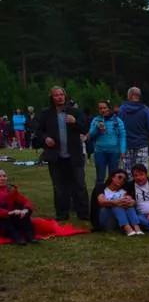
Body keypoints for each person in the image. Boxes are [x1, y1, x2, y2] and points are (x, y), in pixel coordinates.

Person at [38, 86, 90, 221]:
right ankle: (62, 214)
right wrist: (45, 138)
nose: (59, 97)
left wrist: (75, 122)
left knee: (79, 185)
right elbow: (38, 132)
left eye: (61, 94)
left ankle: (83, 214)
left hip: (74, 155)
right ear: (52, 98)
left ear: (65, 96)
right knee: (59, 187)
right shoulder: (46, 114)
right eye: (56, 95)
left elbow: (84, 129)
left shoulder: (75, 112)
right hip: (56, 157)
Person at [118, 86, 149, 177]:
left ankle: (128, 189)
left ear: (129, 96)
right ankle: (139, 191)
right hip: (141, 143)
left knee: (127, 172)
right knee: (141, 171)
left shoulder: (122, 109)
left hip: (126, 144)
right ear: (139, 96)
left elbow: (118, 126)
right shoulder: (145, 110)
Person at [88, 100, 126, 185]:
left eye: (104, 108)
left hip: (114, 152)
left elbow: (122, 136)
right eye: (100, 108)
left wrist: (123, 151)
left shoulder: (117, 120)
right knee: (100, 178)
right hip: (100, 152)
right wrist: (97, 128)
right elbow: (90, 135)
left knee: (113, 178)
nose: (102, 110)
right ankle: (99, 196)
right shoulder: (96, 120)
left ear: (109, 108)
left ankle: (112, 197)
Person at [96, 169, 143, 236]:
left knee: (127, 203)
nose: (121, 180)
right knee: (116, 203)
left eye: (124, 180)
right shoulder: (102, 188)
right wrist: (116, 202)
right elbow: (101, 201)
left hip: (119, 219)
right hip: (107, 219)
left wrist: (131, 201)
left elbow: (132, 201)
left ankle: (136, 228)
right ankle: (127, 228)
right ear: (112, 177)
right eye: (119, 177)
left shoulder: (123, 191)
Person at [0, 169, 36, 245]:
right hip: (3, 219)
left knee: (22, 210)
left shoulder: (11, 190)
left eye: (4, 176)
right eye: (0, 176)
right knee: (4, 222)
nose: (2, 178)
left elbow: (26, 201)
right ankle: (17, 237)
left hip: (11, 217)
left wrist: (25, 210)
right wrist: (9, 213)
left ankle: (30, 235)